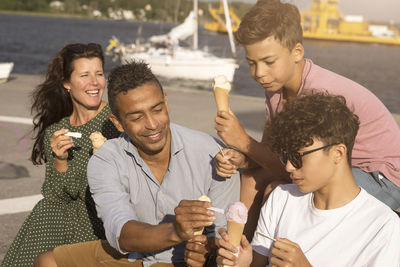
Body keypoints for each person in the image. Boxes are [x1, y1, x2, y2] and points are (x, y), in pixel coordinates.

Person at [214, 0, 400, 239]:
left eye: (269, 62)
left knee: (283, 195)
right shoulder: (275, 88)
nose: (259, 73)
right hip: (328, 164)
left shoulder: (318, 94)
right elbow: (271, 152)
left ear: (297, 52)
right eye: (252, 63)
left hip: (381, 175)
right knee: (252, 178)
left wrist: (242, 141)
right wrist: (243, 158)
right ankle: (242, 254)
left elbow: (301, 166)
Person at [34, 60, 240, 267]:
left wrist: (208, 250)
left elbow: (225, 233)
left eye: (157, 110)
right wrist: (176, 231)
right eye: (136, 117)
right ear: (118, 123)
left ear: (166, 103)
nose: (152, 125)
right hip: (135, 257)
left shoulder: (212, 153)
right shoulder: (106, 159)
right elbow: (121, 233)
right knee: (47, 262)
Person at [216, 93, 400, 267]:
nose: (288, 166)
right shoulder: (281, 198)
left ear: (338, 153)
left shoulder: (383, 225)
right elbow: (257, 262)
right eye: (286, 156)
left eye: (298, 156)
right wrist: (242, 261)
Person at [1, 43, 121, 267]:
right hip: (54, 220)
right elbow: (56, 196)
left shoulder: (116, 121)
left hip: (97, 219)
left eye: (99, 74)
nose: (94, 82)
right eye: (84, 75)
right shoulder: (56, 131)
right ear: (67, 83)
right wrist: (60, 159)